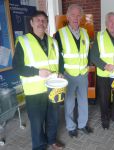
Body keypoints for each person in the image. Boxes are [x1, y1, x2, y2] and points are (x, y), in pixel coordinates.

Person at [12, 11, 64, 150]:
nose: (41, 23)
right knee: (37, 122)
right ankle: (40, 147)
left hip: (53, 87)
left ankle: (52, 141)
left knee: (53, 118)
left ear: (47, 23)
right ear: (32, 23)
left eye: (44, 20)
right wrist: (37, 72)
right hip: (34, 91)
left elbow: (60, 61)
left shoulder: (53, 41)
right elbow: (17, 67)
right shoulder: (23, 41)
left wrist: (60, 73)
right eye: (38, 20)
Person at [55, 4, 93, 138]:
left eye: (78, 15)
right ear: (67, 16)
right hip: (68, 75)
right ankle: (71, 127)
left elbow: (87, 52)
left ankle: (82, 124)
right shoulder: (60, 34)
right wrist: (60, 72)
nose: (76, 18)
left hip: (82, 74)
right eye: (73, 15)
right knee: (69, 102)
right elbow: (57, 55)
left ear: (81, 17)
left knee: (83, 101)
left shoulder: (85, 32)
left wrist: (87, 66)